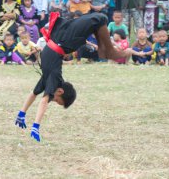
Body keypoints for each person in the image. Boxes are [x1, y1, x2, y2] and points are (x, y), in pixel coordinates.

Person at [14, 12, 131, 142]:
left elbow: (35, 93)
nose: (54, 101)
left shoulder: (52, 74)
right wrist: (35, 126)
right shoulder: (54, 76)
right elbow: (44, 100)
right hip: (97, 21)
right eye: (58, 100)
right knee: (107, 53)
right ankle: (127, 51)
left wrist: (22, 113)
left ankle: (124, 51)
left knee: (105, 53)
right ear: (60, 91)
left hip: (53, 49)